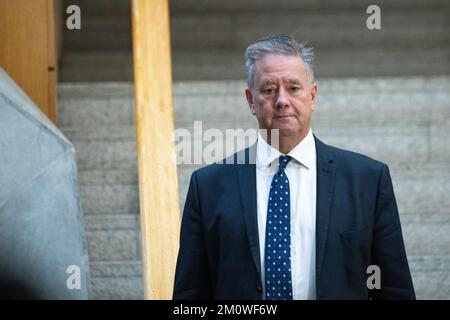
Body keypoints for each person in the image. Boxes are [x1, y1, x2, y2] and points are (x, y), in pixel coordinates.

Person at [173, 35, 415, 300]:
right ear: (250, 100)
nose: (281, 100)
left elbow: (393, 289)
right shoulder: (207, 186)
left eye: (293, 88)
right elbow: (190, 295)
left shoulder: (367, 180)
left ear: (312, 95)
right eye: (268, 89)